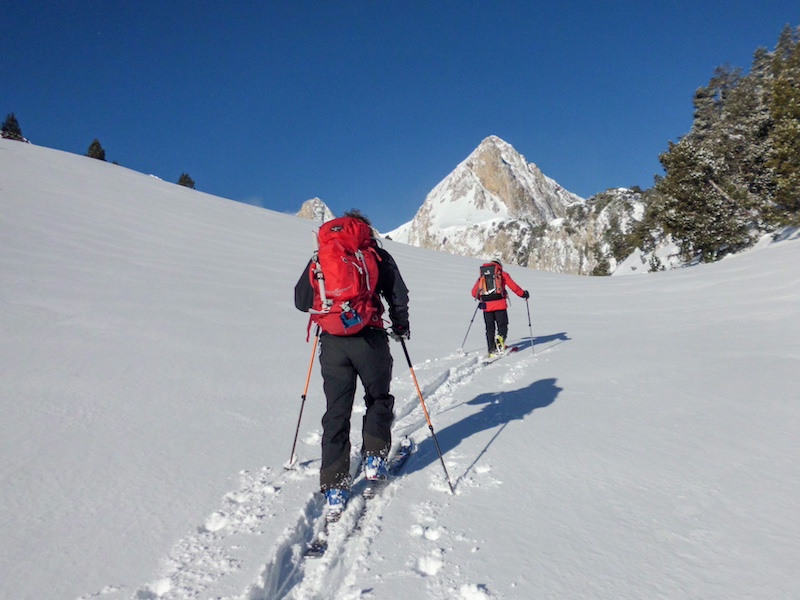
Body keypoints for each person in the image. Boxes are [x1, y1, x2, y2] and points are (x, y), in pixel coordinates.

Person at [294, 210, 410, 521]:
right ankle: (373, 459)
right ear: (364, 228)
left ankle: (334, 486)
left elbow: (299, 298)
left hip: (332, 343)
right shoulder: (374, 254)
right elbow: (398, 292)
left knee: (336, 410)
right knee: (378, 397)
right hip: (369, 337)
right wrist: (400, 325)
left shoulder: (322, 255)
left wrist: (328, 308)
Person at [471, 259, 529, 356]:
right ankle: (500, 338)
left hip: (486, 306)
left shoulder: (482, 276)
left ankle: (491, 349)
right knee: (502, 325)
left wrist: (482, 298)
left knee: (489, 328)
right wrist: (523, 294)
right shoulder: (502, 273)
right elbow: (514, 287)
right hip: (500, 305)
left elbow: (474, 293)